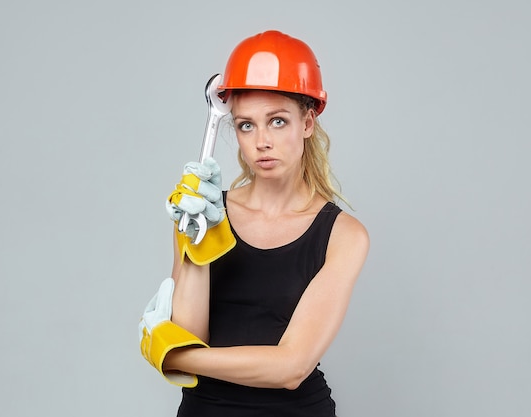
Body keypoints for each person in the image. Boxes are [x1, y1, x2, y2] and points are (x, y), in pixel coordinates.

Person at [139, 30, 370, 417]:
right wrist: (197, 241)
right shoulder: (203, 211)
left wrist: (175, 356)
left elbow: (292, 367)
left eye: (277, 121)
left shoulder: (343, 235)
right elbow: (192, 334)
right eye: (246, 125)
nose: (262, 140)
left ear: (308, 123)